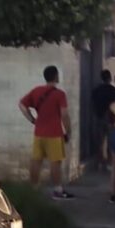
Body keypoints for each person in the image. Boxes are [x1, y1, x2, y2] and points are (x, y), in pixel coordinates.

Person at [18, 65, 74, 200]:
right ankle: (58, 190)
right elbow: (64, 115)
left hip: (39, 133)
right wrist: (68, 131)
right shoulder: (60, 94)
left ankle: (33, 187)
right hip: (54, 134)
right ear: (55, 76)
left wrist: (32, 119)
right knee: (55, 162)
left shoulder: (36, 91)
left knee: (36, 161)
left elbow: (22, 105)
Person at [91, 70, 115, 171]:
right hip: (110, 118)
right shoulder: (114, 90)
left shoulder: (96, 90)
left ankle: (99, 162)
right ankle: (109, 163)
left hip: (98, 117)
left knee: (100, 141)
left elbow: (93, 104)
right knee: (111, 142)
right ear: (110, 78)